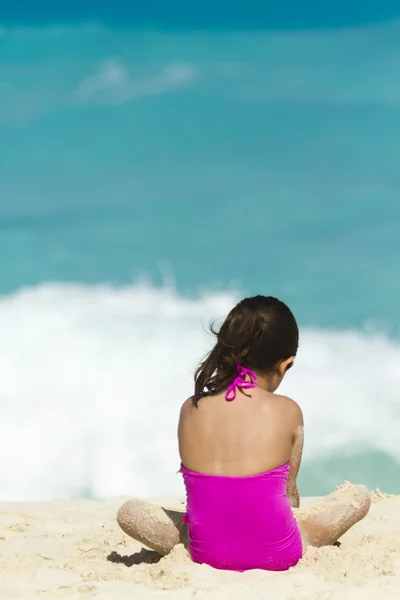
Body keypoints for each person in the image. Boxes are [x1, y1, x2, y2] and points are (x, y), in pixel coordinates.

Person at [117, 295, 371, 571]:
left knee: (129, 512)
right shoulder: (288, 411)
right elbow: (290, 496)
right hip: (280, 553)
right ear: (284, 365)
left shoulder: (190, 408)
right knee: (357, 497)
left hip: (207, 553)